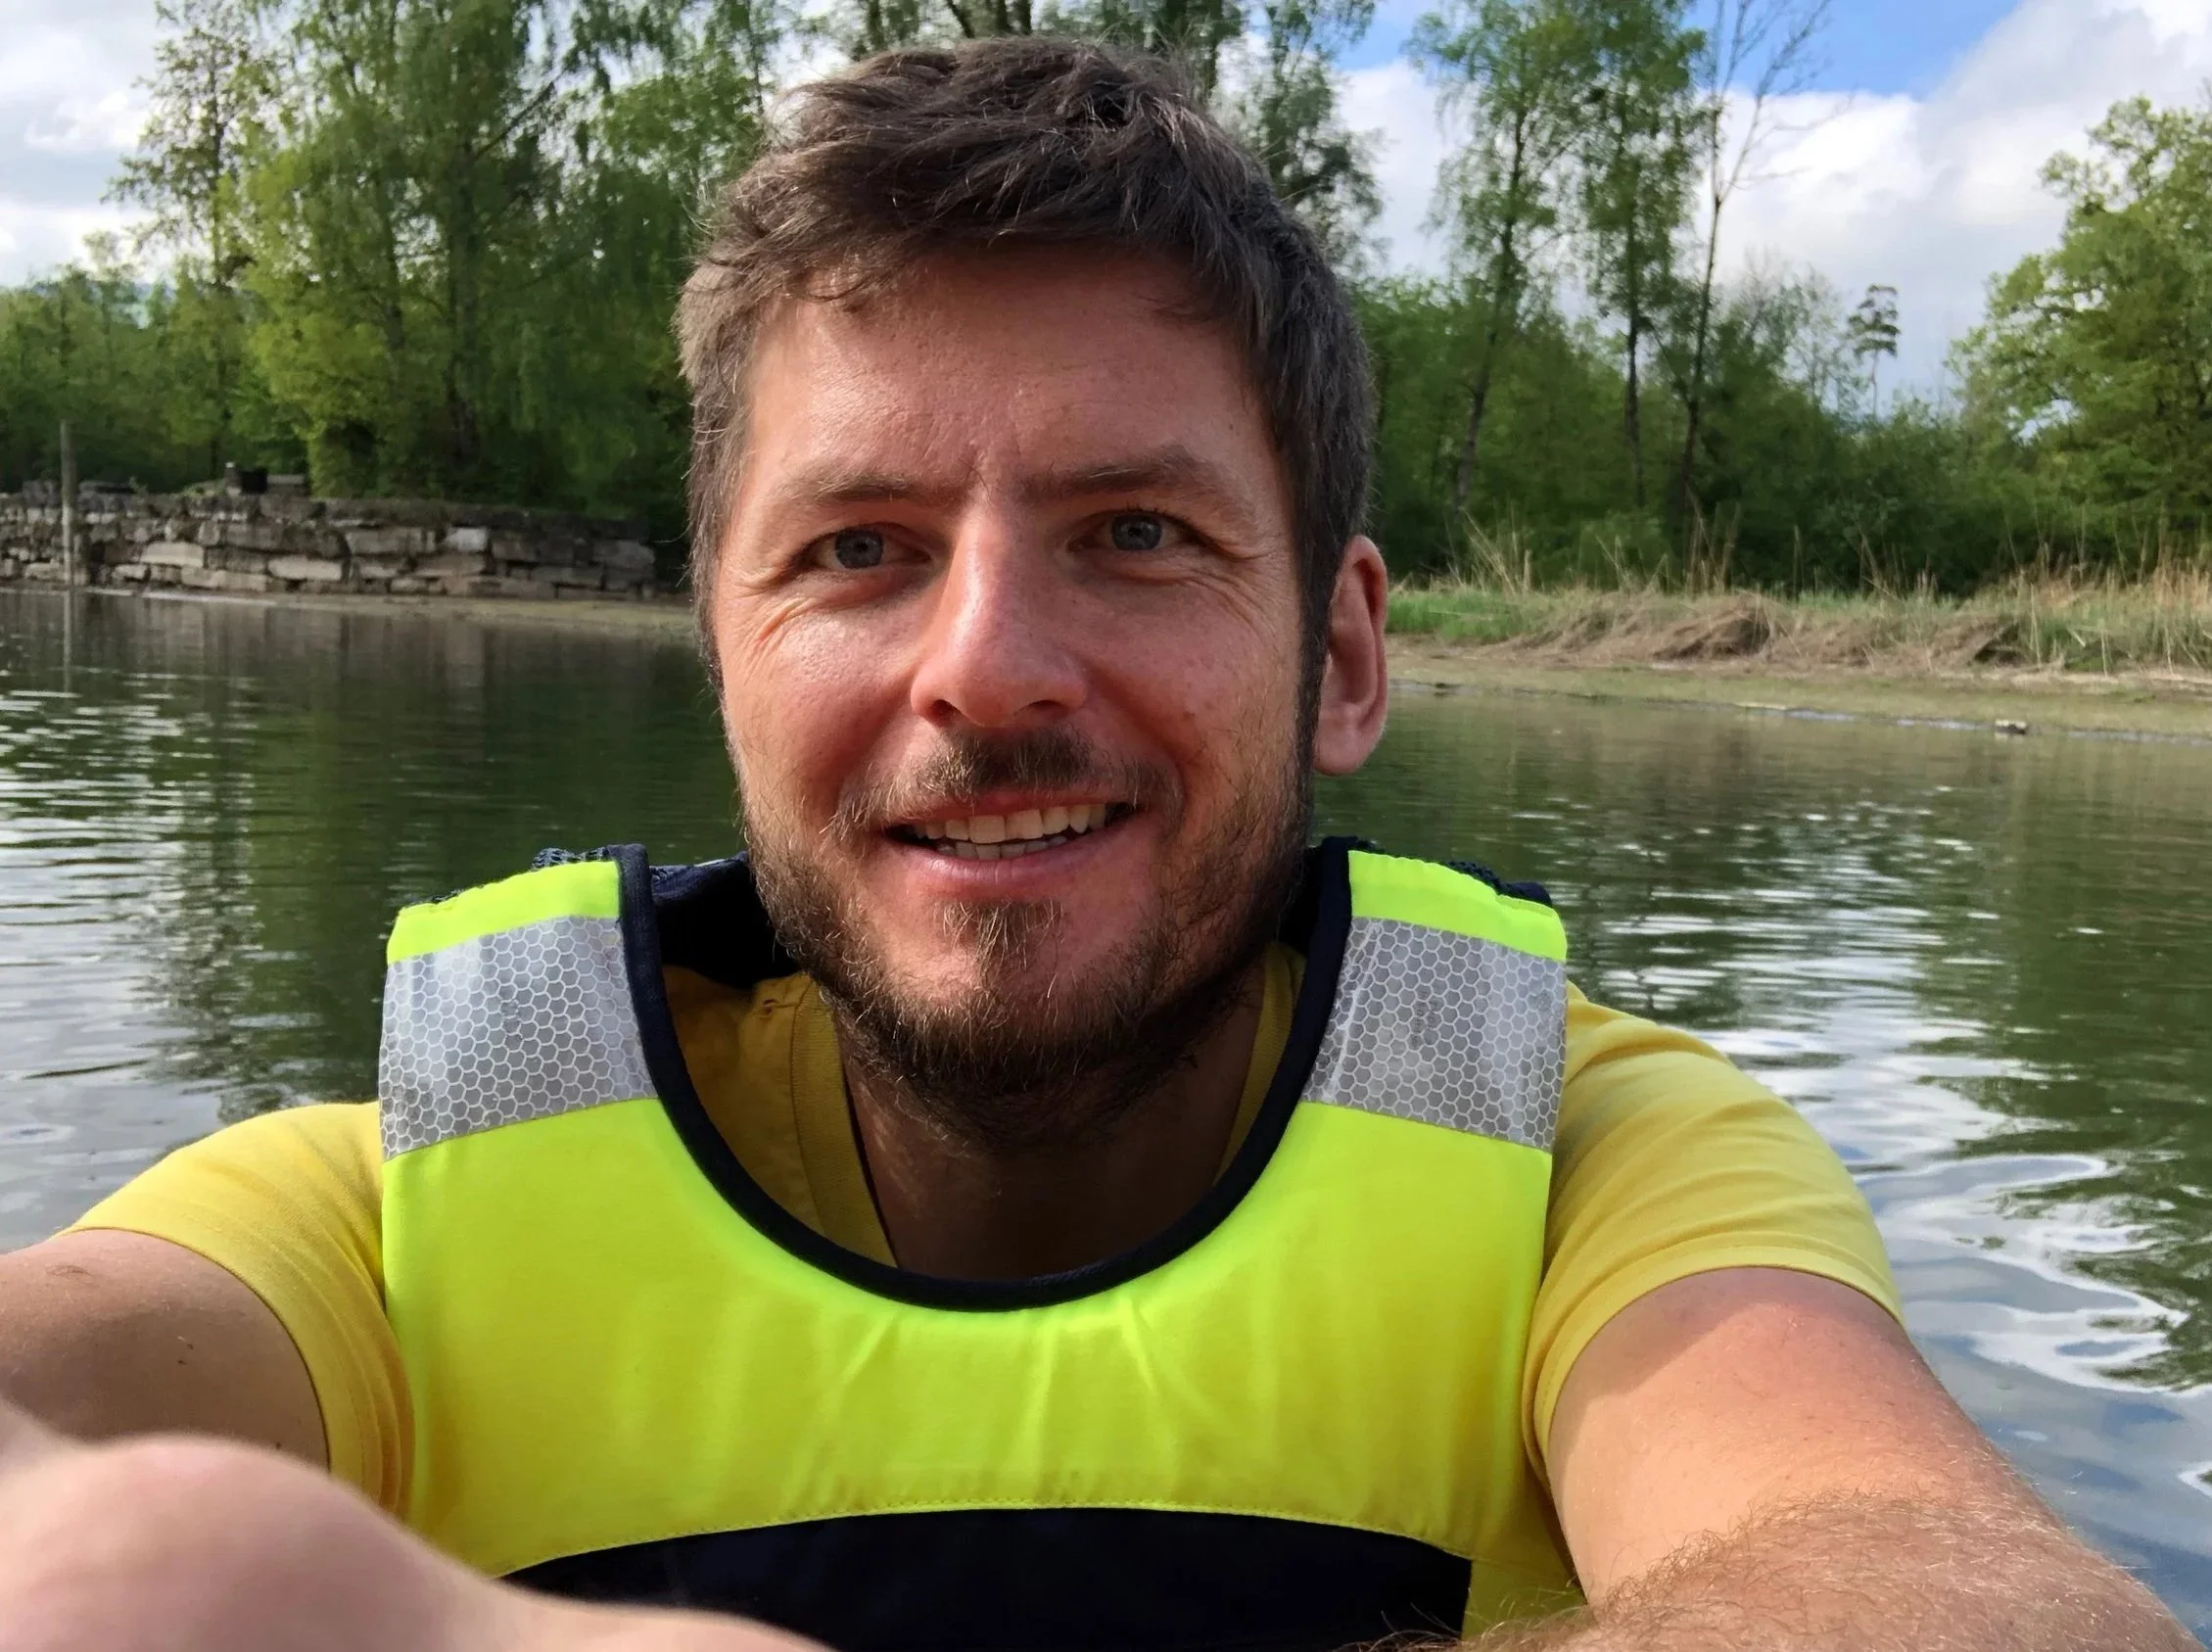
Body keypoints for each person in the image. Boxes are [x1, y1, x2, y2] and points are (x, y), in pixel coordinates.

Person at [0, 39, 2190, 1652]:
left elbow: (1952, 1597)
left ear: (1341, 654)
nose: (986, 669)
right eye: (857, 547)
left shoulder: (1598, 1175)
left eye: (1133, 535)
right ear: (724, 660)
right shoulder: (388, 1210)